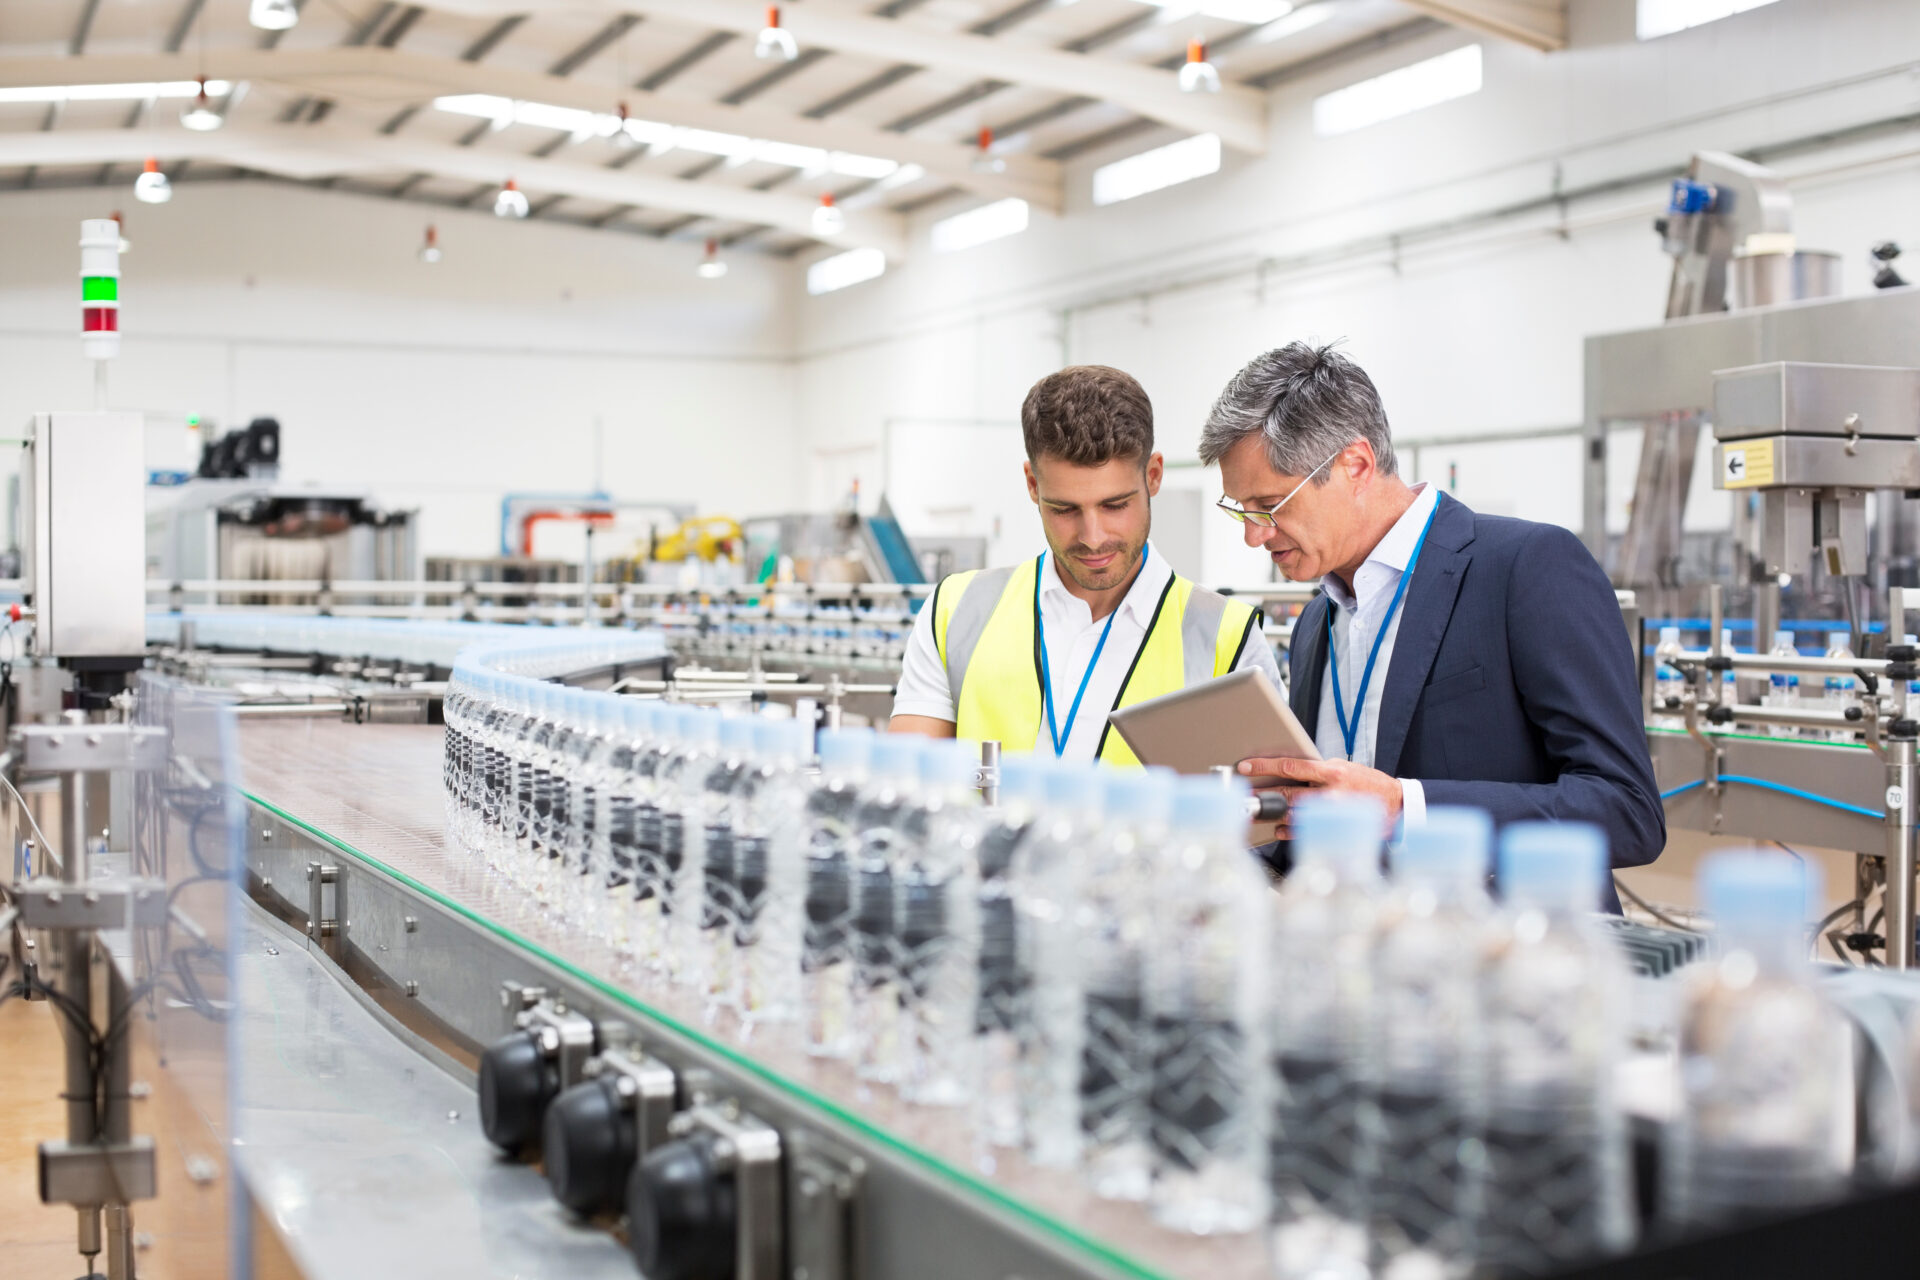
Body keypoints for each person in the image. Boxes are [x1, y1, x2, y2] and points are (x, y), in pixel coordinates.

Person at [1201, 342, 1662, 907]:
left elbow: (1627, 810)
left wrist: (1404, 807)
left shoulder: (1526, 567)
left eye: (1269, 505)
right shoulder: (1316, 622)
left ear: (1356, 466)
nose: (1254, 535)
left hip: (1511, 964)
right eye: (1241, 510)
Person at [891, 365, 1283, 764]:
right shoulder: (956, 612)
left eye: (1115, 505)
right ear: (1032, 484)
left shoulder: (1227, 639)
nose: (1092, 537)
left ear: (1153, 476)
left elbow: (1261, 815)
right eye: (1065, 509)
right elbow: (906, 787)